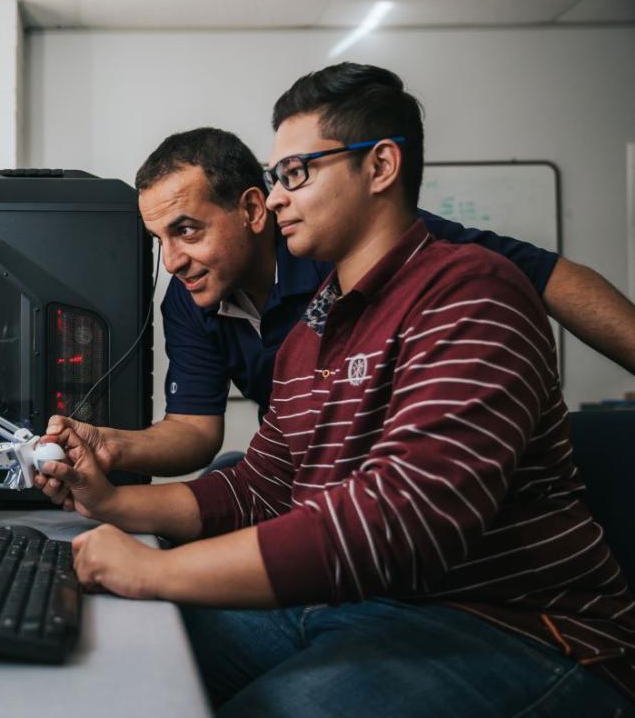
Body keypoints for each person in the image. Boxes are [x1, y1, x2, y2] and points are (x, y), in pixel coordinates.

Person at [39, 63, 635, 715]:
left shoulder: (469, 289)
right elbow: (259, 486)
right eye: (276, 178)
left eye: (297, 173)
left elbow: (398, 519)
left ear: (380, 168)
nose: (278, 198)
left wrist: (151, 569)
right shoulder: (314, 328)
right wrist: (110, 503)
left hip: (511, 624)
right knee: (135, 656)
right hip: (366, 599)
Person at [36, 128, 635, 494]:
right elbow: (195, 430)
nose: (172, 261)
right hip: (310, 475)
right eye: (159, 239)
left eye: (187, 231)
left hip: (393, 482)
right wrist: (108, 448)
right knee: (223, 476)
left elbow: (549, 275)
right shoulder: (191, 303)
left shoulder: (352, 253)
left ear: (252, 210)